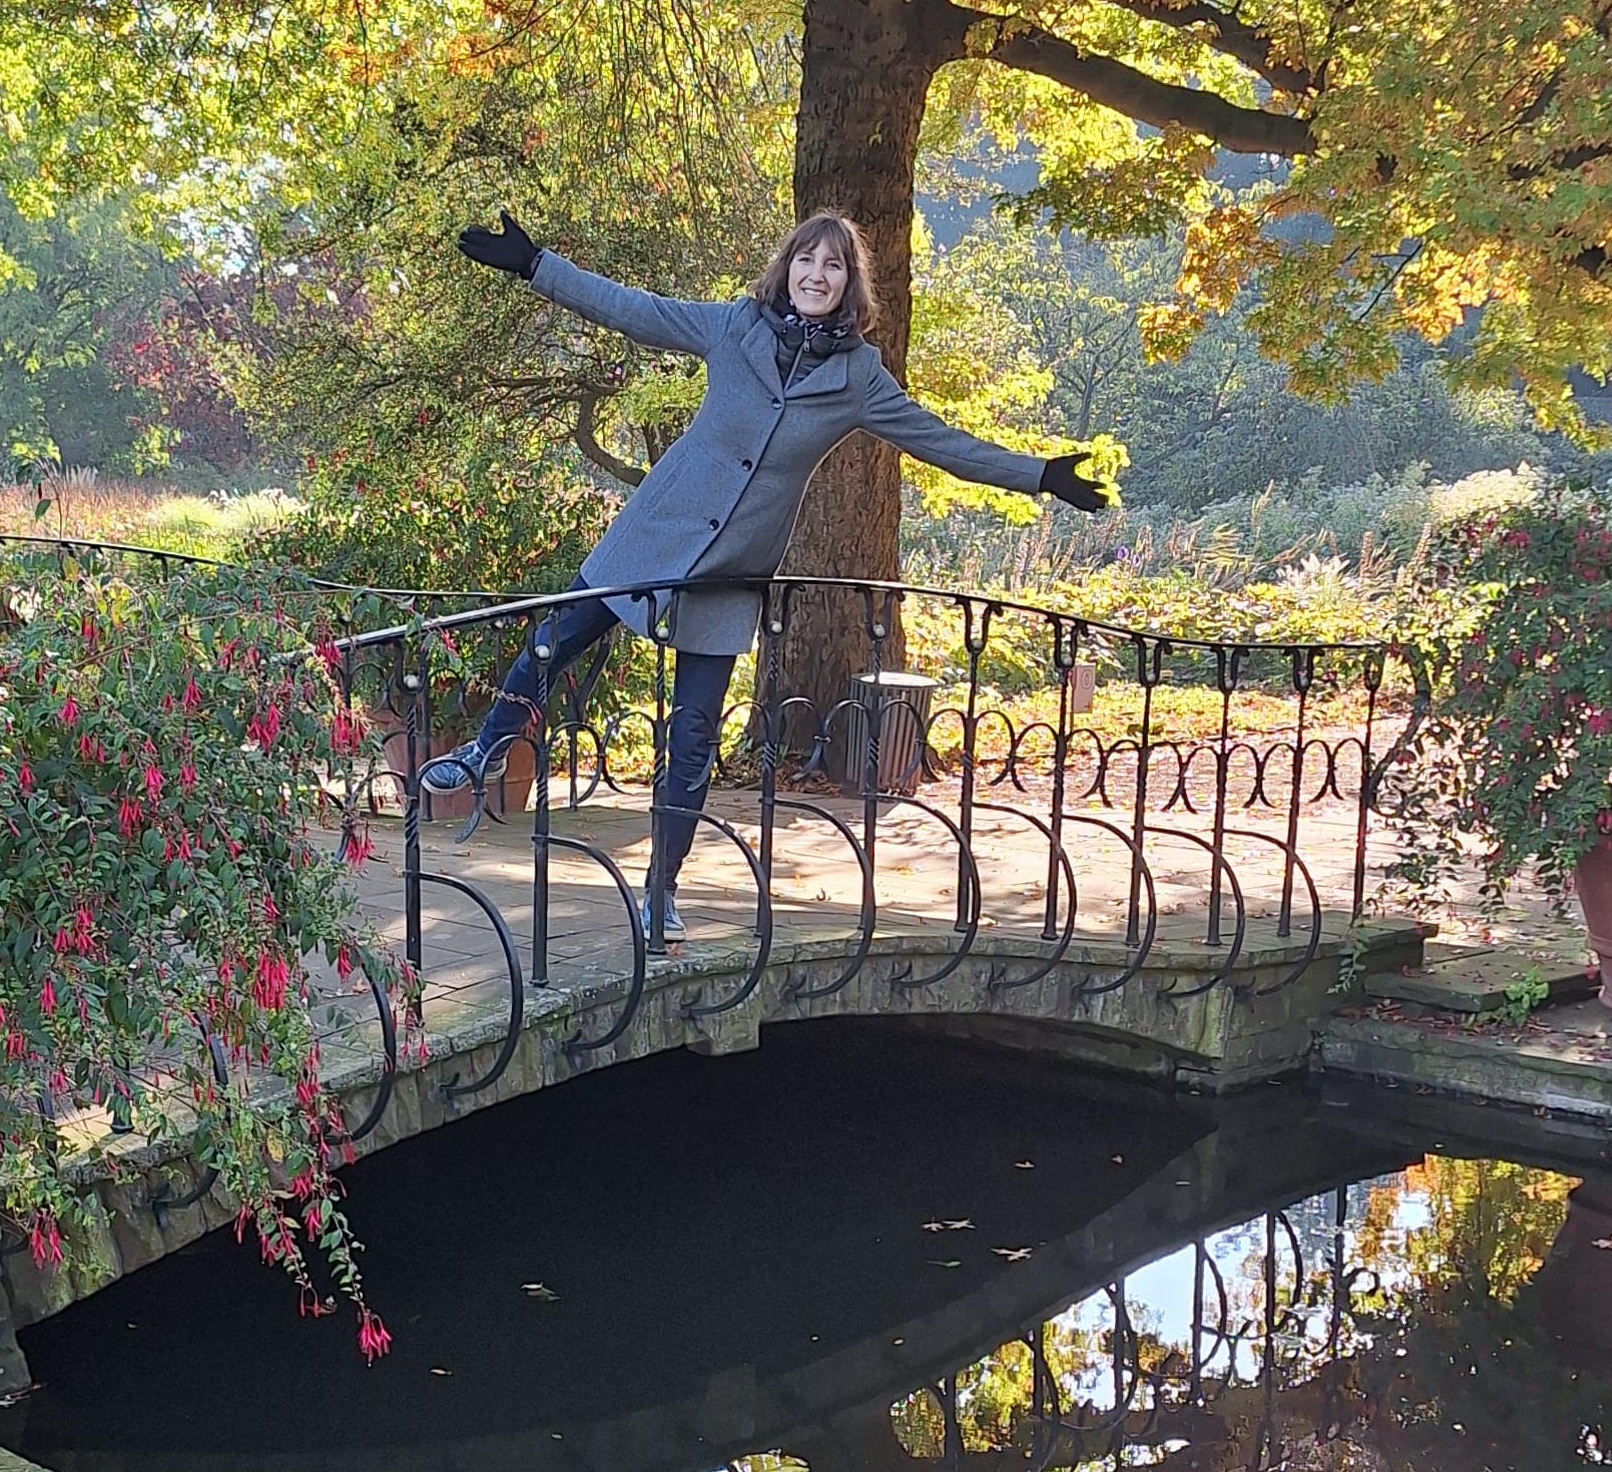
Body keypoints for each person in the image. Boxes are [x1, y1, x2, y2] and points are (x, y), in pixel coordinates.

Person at [422, 207, 1115, 936]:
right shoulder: (735, 328)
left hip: (729, 573)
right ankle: (486, 752)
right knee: (552, 640)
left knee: (691, 738)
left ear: (850, 285)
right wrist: (537, 266)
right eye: (806, 260)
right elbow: (636, 311)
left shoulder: (858, 378)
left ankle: (661, 891)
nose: (817, 275)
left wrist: (1038, 475)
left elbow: (939, 441)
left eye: (834, 266)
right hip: (653, 535)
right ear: (787, 268)